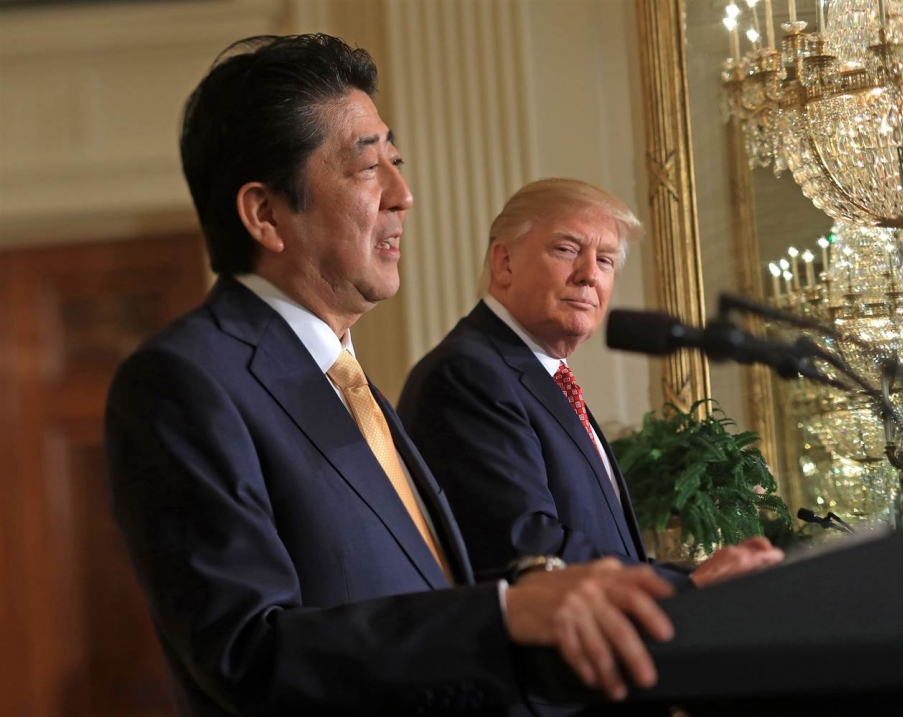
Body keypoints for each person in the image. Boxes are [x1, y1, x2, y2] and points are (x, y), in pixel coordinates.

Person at [104, 35, 681, 717]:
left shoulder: (351, 385)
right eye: (367, 166)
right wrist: (502, 614)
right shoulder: (184, 381)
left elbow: (431, 608)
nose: (403, 195)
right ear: (265, 213)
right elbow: (247, 653)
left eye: (397, 161)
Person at [398, 179, 783, 588]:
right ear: (504, 261)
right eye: (566, 250)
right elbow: (527, 546)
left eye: (605, 260)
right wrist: (686, 585)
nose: (588, 276)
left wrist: (691, 577)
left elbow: (603, 544)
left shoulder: (542, 374)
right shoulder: (469, 373)